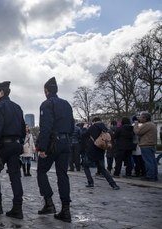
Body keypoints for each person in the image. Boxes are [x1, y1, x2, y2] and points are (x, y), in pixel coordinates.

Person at [0, 81, 25, 219]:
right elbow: (22, 128)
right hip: (15, 145)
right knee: (15, 177)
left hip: (2, 146)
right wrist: (20, 144)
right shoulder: (17, 107)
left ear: (1, 92)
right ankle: (17, 208)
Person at [36, 77, 75, 223]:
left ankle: (49, 202)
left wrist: (43, 147)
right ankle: (66, 209)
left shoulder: (47, 104)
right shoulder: (66, 104)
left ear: (46, 91)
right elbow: (72, 125)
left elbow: (46, 128)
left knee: (41, 171)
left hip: (53, 143)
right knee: (63, 175)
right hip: (65, 142)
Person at [82, 117, 120, 190]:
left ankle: (90, 182)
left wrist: (84, 128)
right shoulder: (105, 128)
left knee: (85, 166)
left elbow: (84, 135)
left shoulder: (93, 127)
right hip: (100, 150)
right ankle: (113, 184)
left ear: (94, 121)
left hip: (91, 150)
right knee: (102, 169)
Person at [134, 112, 158, 181]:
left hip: (146, 145)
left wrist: (136, 125)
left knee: (148, 161)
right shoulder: (152, 124)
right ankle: (154, 175)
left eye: (141, 117)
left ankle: (150, 176)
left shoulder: (147, 125)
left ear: (145, 118)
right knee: (152, 161)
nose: (139, 118)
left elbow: (138, 132)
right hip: (151, 144)